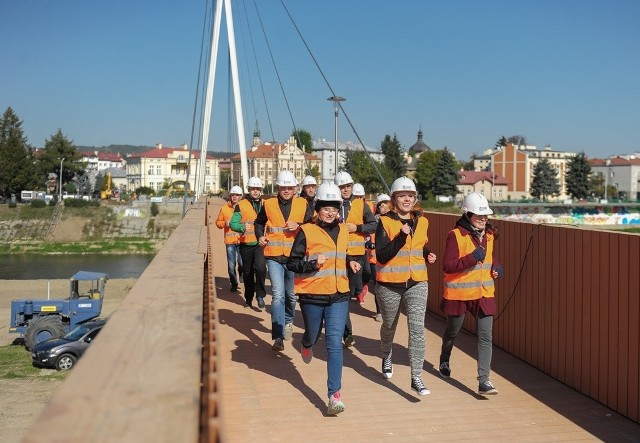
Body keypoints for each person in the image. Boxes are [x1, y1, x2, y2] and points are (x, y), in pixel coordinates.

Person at [286, 183, 355, 416]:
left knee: (334, 343)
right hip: (312, 295)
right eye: (326, 208)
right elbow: (292, 263)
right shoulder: (306, 231)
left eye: (334, 208)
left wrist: (352, 262)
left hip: (339, 295)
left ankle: (334, 395)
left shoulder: (344, 230)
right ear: (318, 208)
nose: (330, 212)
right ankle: (306, 345)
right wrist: (312, 263)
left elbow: (344, 254)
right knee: (312, 335)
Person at [375, 177, 437, 396]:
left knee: (417, 329)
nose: (407, 199)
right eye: (402, 196)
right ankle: (386, 355)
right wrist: (401, 236)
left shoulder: (423, 220)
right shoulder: (383, 222)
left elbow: (418, 245)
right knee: (389, 326)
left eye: (410, 196)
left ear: (415, 198)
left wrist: (427, 253)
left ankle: (416, 377)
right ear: (394, 199)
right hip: (390, 284)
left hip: (417, 281)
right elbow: (381, 255)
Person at [438, 192, 503, 396]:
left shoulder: (490, 235)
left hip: (483, 293)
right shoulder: (455, 235)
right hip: (460, 294)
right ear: (467, 215)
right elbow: (447, 266)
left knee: (485, 336)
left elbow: (491, 259)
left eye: (485, 216)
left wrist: (498, 268)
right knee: (452, 331)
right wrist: (471, 258)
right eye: (478, 216)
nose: (483, 219)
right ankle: (445, 358)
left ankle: (484, 381)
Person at [255, 170, 314, 352]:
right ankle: (278, 336)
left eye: (289, 188)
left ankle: (288, 321)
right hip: (273, 256)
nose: (286, 190)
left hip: (293, 257)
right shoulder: (269, 204)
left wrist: (300, 225)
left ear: (295, 188)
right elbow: (259, 223)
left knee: (290, 295)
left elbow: (313, 225)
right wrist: (260, 236)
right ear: (278, 188)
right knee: (278, 294)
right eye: (283, 188)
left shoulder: (303, 204)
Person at [334, 171, 377, 347]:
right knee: (342, 294)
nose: (345, 189)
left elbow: (373, 225)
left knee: (350, 293)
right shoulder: (331, 205)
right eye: (342, 187)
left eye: (348, 186)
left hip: (357, 255)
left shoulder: (361, 205)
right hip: (337, 255)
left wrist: (357, 227)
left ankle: (340, 324)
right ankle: (347, 333)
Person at [229, 177, 267, 310]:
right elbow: (232, 223)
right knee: (248, 272)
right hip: (246, 244)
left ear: (261, 190)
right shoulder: (242, 205)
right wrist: (242, 227)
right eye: (253, 189)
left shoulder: (265, 204)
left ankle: (260, 295)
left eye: (258, 189)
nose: (255, 191)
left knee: (261, 268)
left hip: (261, 243)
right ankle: (249, 298)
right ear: (249, 189)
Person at [365, 193, 391, 322]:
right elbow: (367, 237)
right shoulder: (373, 221)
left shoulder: (394, 220)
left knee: (388, 287)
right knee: (378, 286)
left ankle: (388, 310)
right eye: (380, 205)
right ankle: (379, 311)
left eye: (385, 204)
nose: (382, 207)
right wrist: (370, 243)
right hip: (374, 259)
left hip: (389, 261)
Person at [215, 185, 244, 292]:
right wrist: (224, 223)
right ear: (230, 196)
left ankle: (241, 272)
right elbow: (217, 223)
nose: (235, 197)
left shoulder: (244, 208)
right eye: (233, 195)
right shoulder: (224, 209)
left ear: (241, 196)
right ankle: (234, 283)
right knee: (231, 265)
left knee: (241, 263)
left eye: (237, 195)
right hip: (230, 241)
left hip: (242, 241)